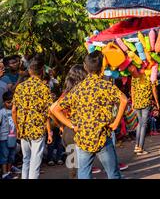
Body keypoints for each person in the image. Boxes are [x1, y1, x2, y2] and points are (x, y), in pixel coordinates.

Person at [51, 51, 128, 179]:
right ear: (102, 67)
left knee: (83, 174)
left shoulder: (77, 89)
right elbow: (124, 100)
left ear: (85, 67)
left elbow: (55, 109)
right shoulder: (106, 86)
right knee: (113, 174)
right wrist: (116, 122)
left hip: (83, 137)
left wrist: (72, 125)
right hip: (102, 136)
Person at [12, 57, 53, 179]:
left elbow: (14, 111)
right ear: (41, 71)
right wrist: (49, 131)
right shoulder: (44, 88)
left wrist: (18, 128)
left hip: (23, 129)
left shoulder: (20, 87)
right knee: (35, 162)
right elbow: (48, 112)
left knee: (26, 160)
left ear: (29, 71)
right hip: (37, 129)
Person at [50, 64, 87, 179]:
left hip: (68, 132)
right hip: (79, 130)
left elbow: (52, 110)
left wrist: (62, 125)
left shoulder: (65, 94)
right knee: (83, 163)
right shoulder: (82, 93)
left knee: (72, 162)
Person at [131, 74, 156, 155]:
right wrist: (157, 102)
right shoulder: (150, 75)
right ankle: (140, 148)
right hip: (145, 103)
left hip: (137, 103)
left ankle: (136, 146)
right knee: (143, 125)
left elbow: (132, 89)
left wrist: (133, 102)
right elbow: (154, 89)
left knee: (140, 124)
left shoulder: (135, 75)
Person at [0, 91, 18, 179]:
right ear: (4, 102)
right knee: (4, 156)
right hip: (4, 138)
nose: (10, 104)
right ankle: (4, 173)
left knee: (11, 156)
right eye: (8, 102)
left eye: (12, 102)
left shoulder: (15, 111)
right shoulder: (2, 112)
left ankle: (9, 172)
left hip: (13, 137)